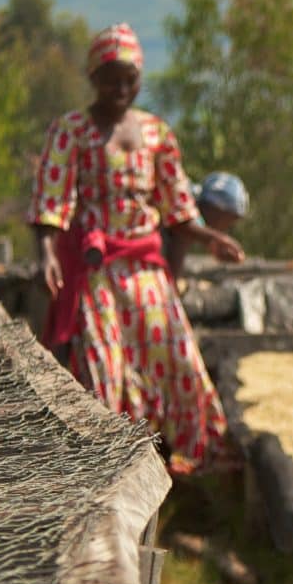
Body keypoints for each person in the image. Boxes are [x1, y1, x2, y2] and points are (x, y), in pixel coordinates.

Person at [27, 24, 246, 477]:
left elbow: (177, 209)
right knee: (103, 367)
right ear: (93, 78)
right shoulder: (71, 132)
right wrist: (47, 253)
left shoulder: (156, 133)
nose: (121, 89)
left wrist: (211, 238)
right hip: (97, 271)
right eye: (111, 78)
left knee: (176, 356)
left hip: (146, 272)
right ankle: (109, 462)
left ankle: (190, 452)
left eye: (129, 79)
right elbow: (52, 201)